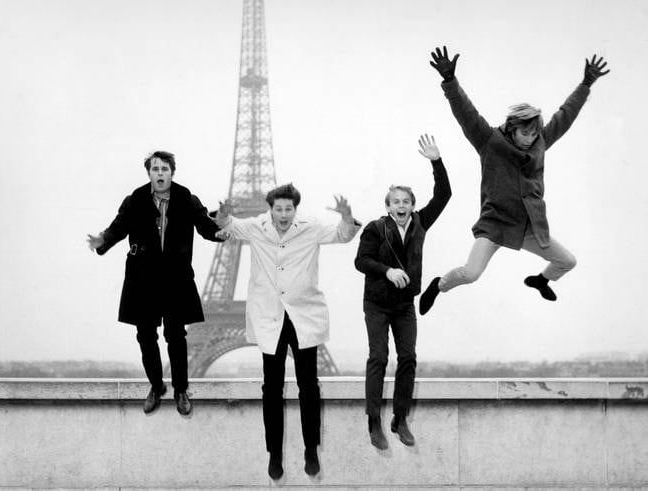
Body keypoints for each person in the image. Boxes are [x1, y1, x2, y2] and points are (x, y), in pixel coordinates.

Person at [420, 46, 610, 315]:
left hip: (529, 227)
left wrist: (586, 84)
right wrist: (450, 81)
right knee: (471, 273)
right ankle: (438, 285)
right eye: (525, 132)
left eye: (534, 133)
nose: (530, 138)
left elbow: (564, 116)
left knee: (568, 261)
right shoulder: (489, 141)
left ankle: (541, 280)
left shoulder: (540, 142)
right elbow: (466, 114)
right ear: (512, 127)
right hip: (496, 224)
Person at [213, 183, 361, 480]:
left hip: (302, 313)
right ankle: (275, 453)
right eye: (278, 209)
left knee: (309, 384)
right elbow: (230, 226)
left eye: (288, 209)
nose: (283, 214)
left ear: (296, 209)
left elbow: (342, 235)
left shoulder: (311, 228)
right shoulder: (257, 226)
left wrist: (347, 216)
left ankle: (310, 449)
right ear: (270, 209)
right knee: (271, 387)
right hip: (270, 315)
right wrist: (223, 216)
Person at [87, 151, 225, 415]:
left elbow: (206, 226)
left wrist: (221, 232)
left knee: (176, 335)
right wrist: (101, 241)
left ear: (172, 173)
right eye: (155, 169)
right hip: (143, 278)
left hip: (175, 278)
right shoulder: (135, 200)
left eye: (164, 169)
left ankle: (181, 390)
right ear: (148, 172)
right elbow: (117, 228)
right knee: (145, 335)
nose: (160, 173)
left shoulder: (186, 198)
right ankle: (156, 385)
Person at [354, 134, 451, 450]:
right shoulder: (374, 229)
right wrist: (388, 270)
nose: (402, 206)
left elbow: (444, 194)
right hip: (378, 304)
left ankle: (399, 418)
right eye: (396, 201)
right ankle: (373, 421)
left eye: (406, 201)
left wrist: (436, 161)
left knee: (408, 357)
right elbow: (361, 261)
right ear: (388, 206)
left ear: (412, 205)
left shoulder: (421, 223)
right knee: (379, 357)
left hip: (405, 304)